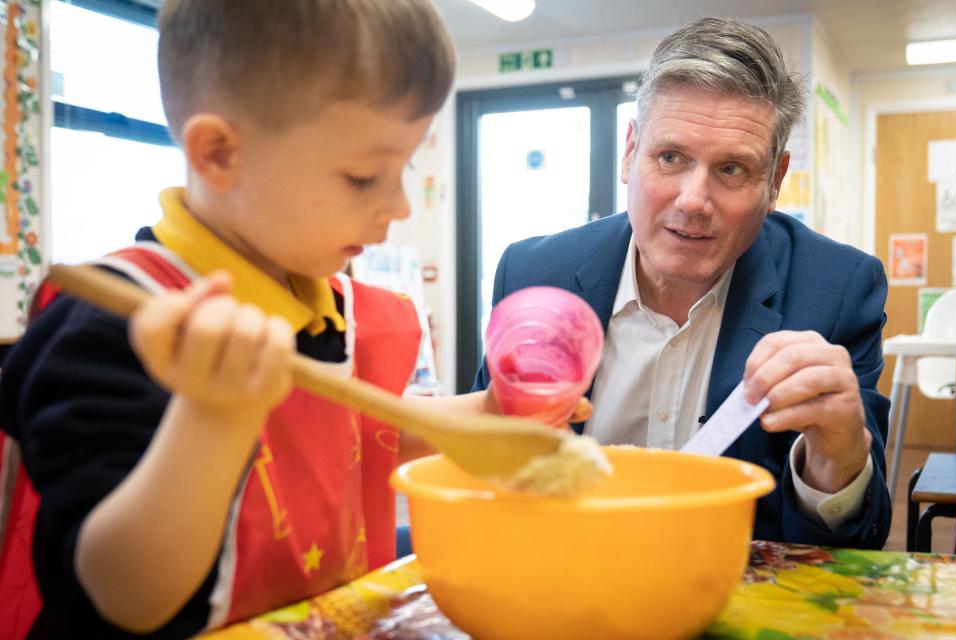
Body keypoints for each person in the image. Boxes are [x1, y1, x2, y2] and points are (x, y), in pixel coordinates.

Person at [0, 1, 467, 636]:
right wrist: (214, 416)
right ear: (219, 154)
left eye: (403, 168)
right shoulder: (110, 322)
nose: (400, 206)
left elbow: (365, 428)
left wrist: (495, 412)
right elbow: (122, 593)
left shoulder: (321, 304)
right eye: (364, 177)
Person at [474, 17, 891, 549]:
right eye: (670, 157)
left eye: (733, 170)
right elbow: (479, 468)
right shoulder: (535, 275)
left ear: (776, 180)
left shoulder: (835, 290)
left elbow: (856, 542)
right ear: (630, 153)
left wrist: (838, 452)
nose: (694, 200)